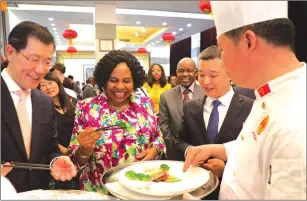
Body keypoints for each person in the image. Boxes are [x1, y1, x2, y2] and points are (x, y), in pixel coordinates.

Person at [183, 1, 306, 200]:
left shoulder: (296, 120)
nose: (222, 62)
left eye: (222, 50)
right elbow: (258, 144)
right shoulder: (269, 92)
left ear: (249, 41)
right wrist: (220, 150)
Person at [67, 50, 165, 193]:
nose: (120, 86)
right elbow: (74, 159)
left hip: (141, 189)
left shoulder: (145, 104)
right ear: (104, 80)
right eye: (113, 80)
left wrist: (154, 150)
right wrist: (84, 150)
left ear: (135, 81)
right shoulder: (87, 108)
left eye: (126, 81)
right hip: (100, 190)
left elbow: (158, 137)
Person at [1, 21, 77, 193]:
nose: (41, 70)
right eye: (34, 59)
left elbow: (50, 147)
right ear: (10, 52)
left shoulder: (44, 101)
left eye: (47, 62)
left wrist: (55, 160)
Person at [173, 46, 254, 200]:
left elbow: (253, 151)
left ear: (229, 74)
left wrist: (227, 166)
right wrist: (191, 151)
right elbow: (178, 140)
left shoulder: (250, 107)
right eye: (201, 75)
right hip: (195, 186)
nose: (206, 81)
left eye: (213, 75)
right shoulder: (191, 106)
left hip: (234, 190)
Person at [159, 58, 203, 161]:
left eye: (189, 71)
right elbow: (164, 127)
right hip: (175, 154)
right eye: (181, 71)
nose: (185, 74)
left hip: (201, 153)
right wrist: (177, 148)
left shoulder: (205, 93)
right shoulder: (166, 96)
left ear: (196, 73)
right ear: (176, 73)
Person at [39, 72, 75, 154]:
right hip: (59, 155)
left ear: (58, 83)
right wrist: (68, 152)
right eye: (43, 85)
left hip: (78, 152)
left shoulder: (71, 102)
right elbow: (47, 139)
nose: (48, 87)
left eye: (50, 83)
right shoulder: (42, 110)